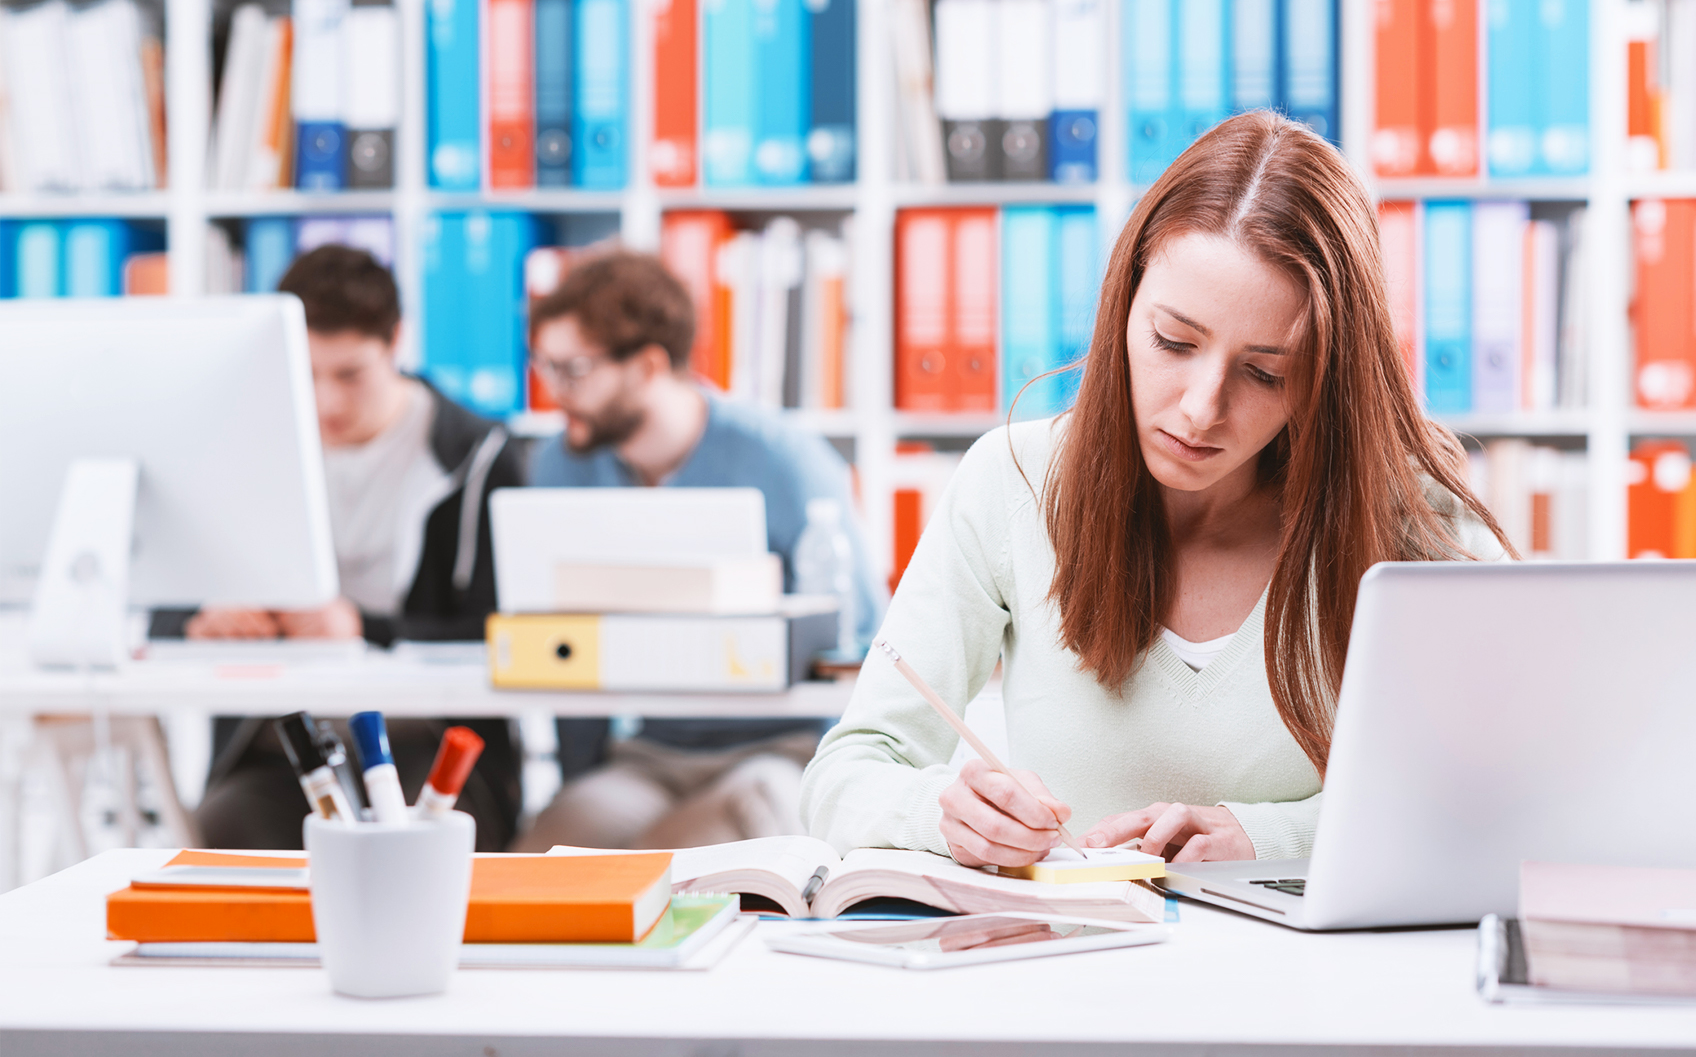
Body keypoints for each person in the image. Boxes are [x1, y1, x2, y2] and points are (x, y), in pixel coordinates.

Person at [800, 111, 1514, 869]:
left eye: (1264, 372)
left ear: (1325, 379)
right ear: (1124, 308)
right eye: (1174, 342)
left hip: (1316, 981)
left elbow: (1502, 797)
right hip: (1070, 971)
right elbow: (843, 774)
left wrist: (1269, 839)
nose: (1202, 407)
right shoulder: (1010, 482)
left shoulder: (1413, 525)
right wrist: (939, 813)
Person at [512, 250, 882, 852]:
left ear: (649, 365)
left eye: (573, 369)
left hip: (779, 748)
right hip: (653, 753)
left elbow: (862, 637)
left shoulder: (784, 461)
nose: (554, 391)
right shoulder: (560, 463)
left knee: (740, 824)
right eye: (544, 366)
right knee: (548, 855)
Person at [178, 245, 525, 851]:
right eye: (305, 374)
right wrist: (207, 616)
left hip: (426, 741)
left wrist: (364, 627)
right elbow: (166, 593)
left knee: (424, 847)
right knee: (223, 840)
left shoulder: (482, 456)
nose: (326, 402)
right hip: (282, 748)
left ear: (397, 342)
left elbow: (503, 633)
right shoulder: (245, 447)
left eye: (349, 375)